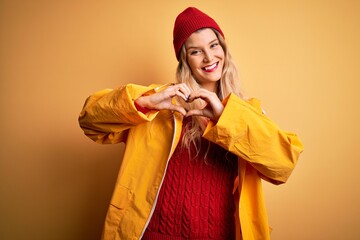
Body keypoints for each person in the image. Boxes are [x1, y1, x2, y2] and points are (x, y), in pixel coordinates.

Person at [78, 7, 304, 240]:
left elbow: (283, 164)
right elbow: (89, 121)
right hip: (153, 233)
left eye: (214, 45)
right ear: (184, 59)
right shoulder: (160, 103)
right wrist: (146, 102)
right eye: (196, 51)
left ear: (224, 48)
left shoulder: (247, 113)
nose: (209, 58)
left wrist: (224, 116)